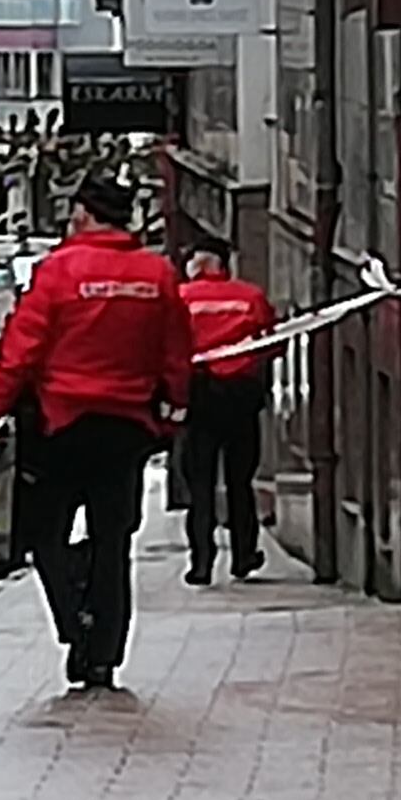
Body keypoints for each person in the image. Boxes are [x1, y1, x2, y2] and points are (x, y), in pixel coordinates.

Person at [0, 171, 192, 692]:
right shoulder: (158, 274)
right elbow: (176, 353)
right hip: (125, 427)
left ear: (82, 215)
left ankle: (74, 617)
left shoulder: (56, 271)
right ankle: (103, 656)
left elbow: (22, 350)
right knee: (114, 540)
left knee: (43, 534)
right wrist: (172, 410)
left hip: (60, 423)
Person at [176, 238, 278, 585]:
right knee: (240, 480)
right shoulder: (249, 297)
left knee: (199, 485)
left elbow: (167, 346)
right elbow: (272, 342)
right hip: (241, 398)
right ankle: (244, 554)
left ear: (195, 266)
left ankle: (201, 562)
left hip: (199, 397)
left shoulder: (180, 299)